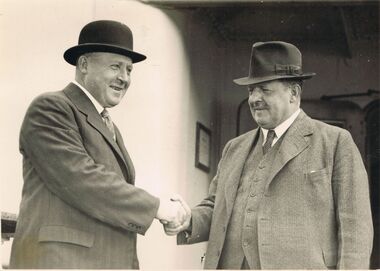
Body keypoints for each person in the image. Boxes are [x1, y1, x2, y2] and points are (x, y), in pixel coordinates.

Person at [165, 41, 374, 269]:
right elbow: (217, 208)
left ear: (293, 93)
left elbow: (355, 229)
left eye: (265, 90)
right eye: (251, 90)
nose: (254, 98)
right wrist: (189, 220)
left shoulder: (335, 142)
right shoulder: (234, 148)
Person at [9, 20, 185, 269]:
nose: (124, 78)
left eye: (129, 70)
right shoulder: (51, 108)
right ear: (84, 64)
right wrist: (157, 207)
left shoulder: (108, 125)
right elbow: (81, 179)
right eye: (115, 67)